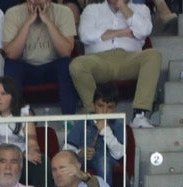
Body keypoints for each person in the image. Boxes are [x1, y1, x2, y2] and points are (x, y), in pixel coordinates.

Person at [69, 0, 161, 129]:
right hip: (99, 60)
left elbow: (145, 30)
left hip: (129, 59)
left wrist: (122, 6)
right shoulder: (92, 9)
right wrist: (123, 32)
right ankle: (95, 116)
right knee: (77, 65)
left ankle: (139, 115)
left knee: (153, 55)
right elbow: (85, 35)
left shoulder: (141, 9)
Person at [1, 0, 78, 113]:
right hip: (25, 68)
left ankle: (69, 120)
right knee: (10, 65)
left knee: (66, 64)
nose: (36, 2)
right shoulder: (13, 13)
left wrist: (47, 20)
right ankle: (14, 119)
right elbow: (12, 54)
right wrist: (28, 22)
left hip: (53, 67)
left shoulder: (64, 12)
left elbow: (66, 52)